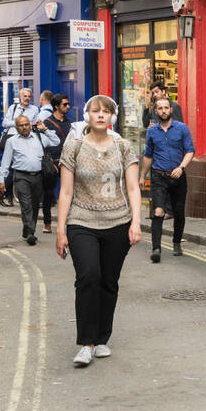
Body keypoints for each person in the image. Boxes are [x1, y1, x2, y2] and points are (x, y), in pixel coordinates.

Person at [56, 95, 141, 367]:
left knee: (108, 281)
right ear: (88, 116)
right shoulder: (74, 147)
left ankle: (103, 338)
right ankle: (86, 343)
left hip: (118, 221)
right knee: (89, 276)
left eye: (106, 111)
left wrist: (136, 222)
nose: (101, 115)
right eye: (96, 111)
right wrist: (60, 230)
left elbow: (132, 188)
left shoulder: (123, 147)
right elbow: (66, 191)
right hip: (81, 220)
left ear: (113, 116)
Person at [140, 95, 195, 262]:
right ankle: (156, 248)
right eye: (160, 108)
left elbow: (190, 151)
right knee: (158, 211)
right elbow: (148, 155)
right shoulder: (152, 131)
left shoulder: (182, 128)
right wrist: (142, 175)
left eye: (166, 108)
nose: (163, 111)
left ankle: (177, 242)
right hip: (158, 176)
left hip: (178, 176)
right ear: (156, 111)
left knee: (178, 212)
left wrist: (181, 167)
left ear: (171, 110)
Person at [0, 111, 60, 244]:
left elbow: (56, 141)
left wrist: (45, 129)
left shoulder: (39, 136)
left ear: (30, 125)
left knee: (35, 205)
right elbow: (5, 163)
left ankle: (27, 229)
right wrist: (1, 181)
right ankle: (31, 232)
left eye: (27, 124)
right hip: (21, 176)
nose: (25, 127)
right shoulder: (11, 141)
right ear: (16, 127)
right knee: (26, 204)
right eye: (21, 125)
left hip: (38, 177)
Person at [0, 86, 40, 205]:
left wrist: (31, 125)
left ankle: (3, 192)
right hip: (12, 138)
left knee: (15, 168)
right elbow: (5, 123)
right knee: (11, 167)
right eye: (24, 96)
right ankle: (8, 196)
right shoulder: (13, 107)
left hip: (26, 140)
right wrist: (18, 122)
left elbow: (35, 124)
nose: (27, 98)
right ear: (20, 97)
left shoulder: (34, 109)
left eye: (28, 96)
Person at [40, 93, 72, 233]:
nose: (68, 107)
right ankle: (47, 223)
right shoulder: (47, 123)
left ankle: (68, 223)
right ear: (56, 106)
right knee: (48, 194)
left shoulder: (69, 123)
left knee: (70, 193)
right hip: (52, 162)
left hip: (66, 162)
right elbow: (42, 144)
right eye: (65, 104)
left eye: (68, 104)